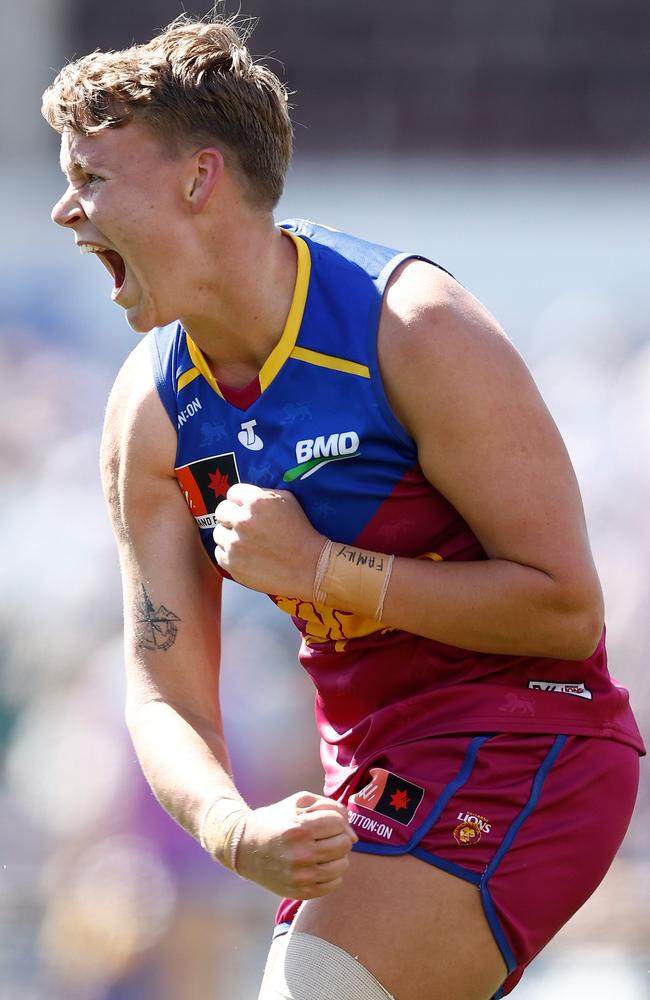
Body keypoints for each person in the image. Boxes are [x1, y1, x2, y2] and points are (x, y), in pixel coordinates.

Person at [42, 12, 644, 1000]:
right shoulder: (148, 409)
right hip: (374, 767)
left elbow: (565, 610)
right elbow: (162, 693)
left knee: (312, 986)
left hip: (533, 739)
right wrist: (231, 829)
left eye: (94, 179)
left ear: (199, 180)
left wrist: (327, 571)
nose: (66, 211)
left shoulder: (413, 327)